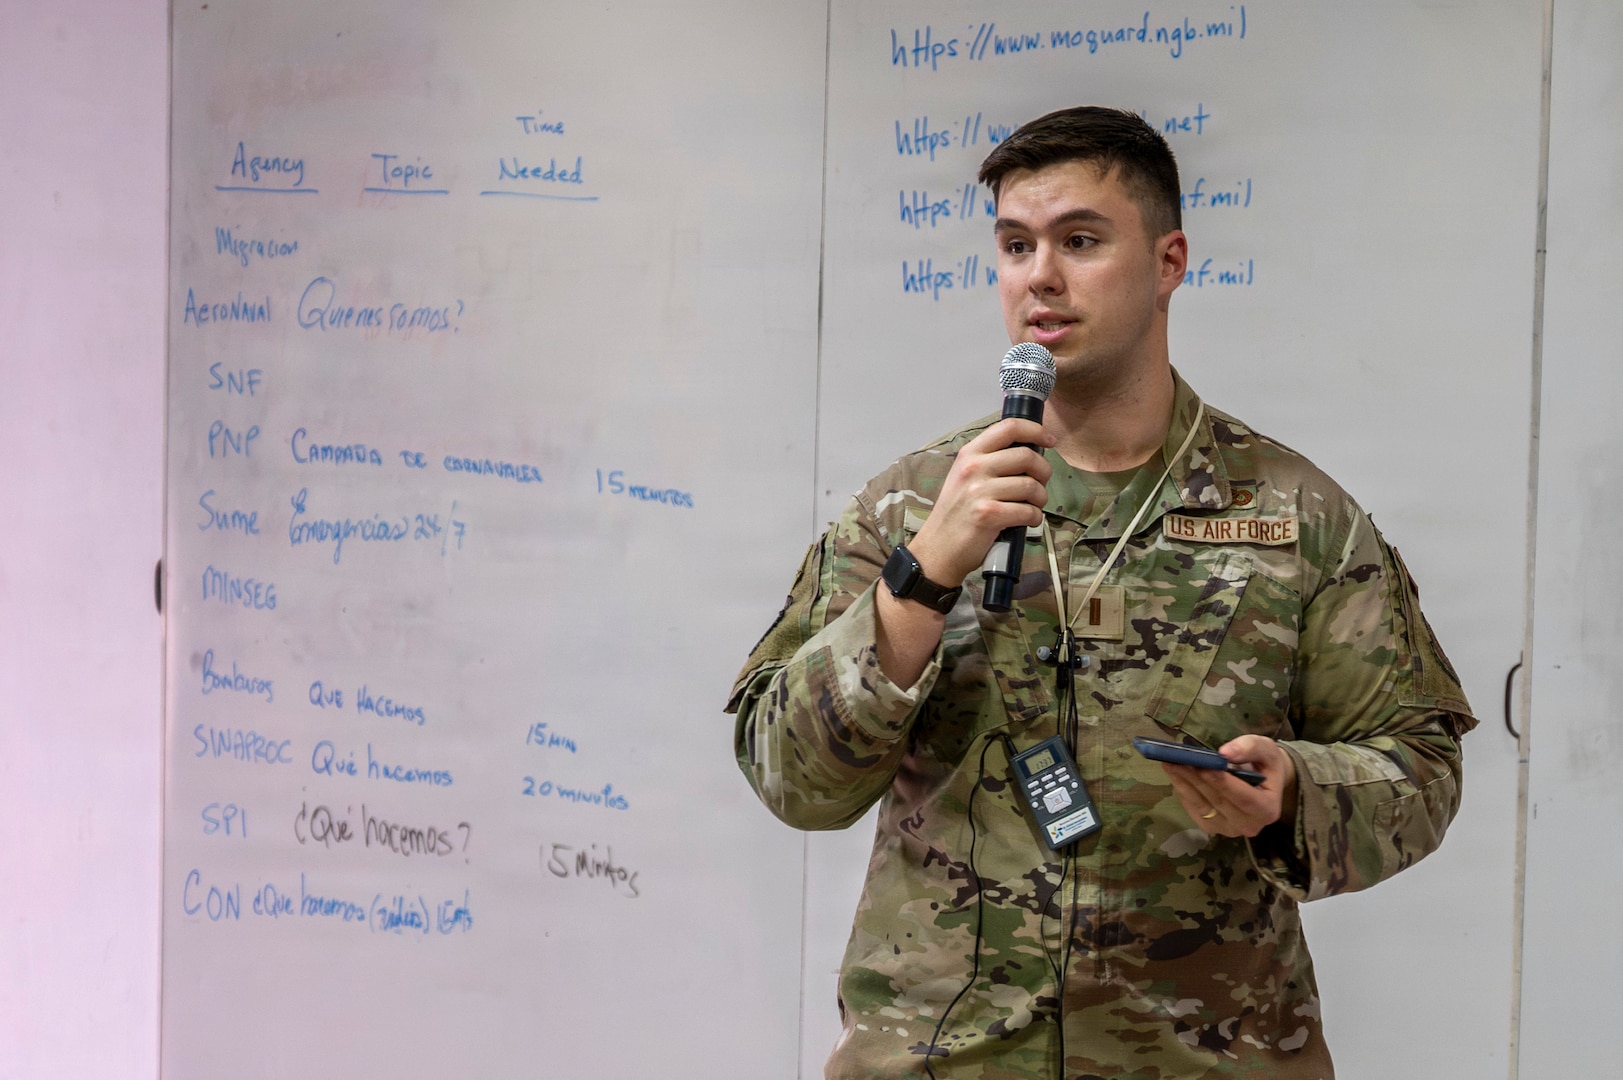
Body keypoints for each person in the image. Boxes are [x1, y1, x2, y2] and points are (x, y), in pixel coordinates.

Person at [726, 106, 1475, 1079]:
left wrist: (1294, 794)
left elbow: (1421, 771)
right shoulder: (912, 506)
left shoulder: (1297, 517)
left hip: (1206, 1058)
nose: (1040, 275)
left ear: (1169, 263)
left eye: (1080, 241)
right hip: (943, 1055)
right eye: (1014, 245)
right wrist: (921, 578)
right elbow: (790, 780)